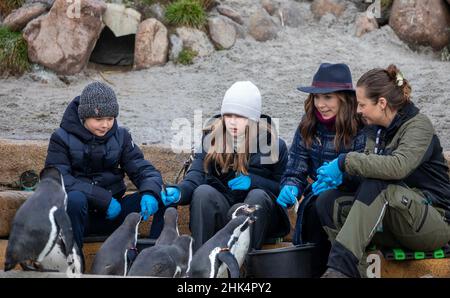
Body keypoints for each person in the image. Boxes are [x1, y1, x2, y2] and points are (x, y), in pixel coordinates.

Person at [316, 65, 450, 278]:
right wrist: (342, 179)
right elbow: (368, 172)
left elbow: (398, 167)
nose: (358, 110)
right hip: (391, 220)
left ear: (381, 103)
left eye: (361, 104)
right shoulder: (375, 130)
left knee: (379, 185)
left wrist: (344, 162)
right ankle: (354, 271)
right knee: (327, 201)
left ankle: (339, 271)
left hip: (432, 223)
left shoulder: (419, 126)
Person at [45, 82, 174, 262]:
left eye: (110, 118)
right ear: (84, 117)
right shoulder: (60, 138)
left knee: (165, 195)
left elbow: (142, 168)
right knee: (74, 199)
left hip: (116, 213)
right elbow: (58, 179)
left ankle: (154, 256)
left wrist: (150, 192)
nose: (105, 125)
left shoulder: (121, 136)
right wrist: (103, 200)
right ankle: (73, 260)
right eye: (99, 119)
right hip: (79, 217)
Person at [161, 81, 289, 252]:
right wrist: (179, 192)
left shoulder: (274, 145)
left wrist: (253, 181)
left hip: (260, 220)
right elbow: (196, 176)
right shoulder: (210, 139)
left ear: (253, 119)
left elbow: (282, 188)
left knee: (257, 195)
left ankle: (248, 264)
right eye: (228, 116)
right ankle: (202, 263)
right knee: (203, 192)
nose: (233, 122)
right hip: (223, 210)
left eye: (240, 117)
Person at [277, 63, 366, 277]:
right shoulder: (307, 124)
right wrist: (290, 187)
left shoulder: (362, 125)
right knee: (313, 205)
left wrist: (342, 179)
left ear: (344, 99)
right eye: (316, 97)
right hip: (316, 200)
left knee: (320, 203)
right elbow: (295, 169)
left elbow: (367, 170)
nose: (320, 104)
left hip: (353, 200)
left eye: (327, 98)